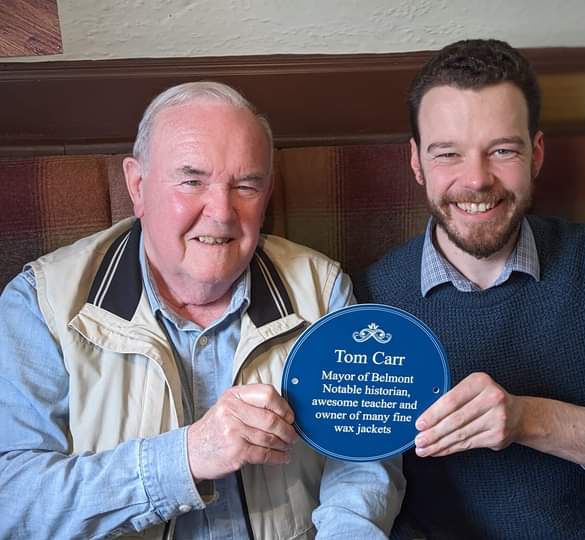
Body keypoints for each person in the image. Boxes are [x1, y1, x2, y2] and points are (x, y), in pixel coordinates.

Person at [0, 81, 404, 539]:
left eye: (246, 185)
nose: (221, 212)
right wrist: (186, 458)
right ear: (137, 184)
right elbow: (10, 497)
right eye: (192, 181)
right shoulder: (41, 302)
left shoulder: (322, 289)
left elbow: (363, 458)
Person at [353, 39, 585, 540]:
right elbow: (361, 476)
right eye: (448, 153)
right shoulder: (372, 297)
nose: (476, 180)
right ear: (417, 161)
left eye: (502, 150)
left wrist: (526, 418)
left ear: (535, 154)